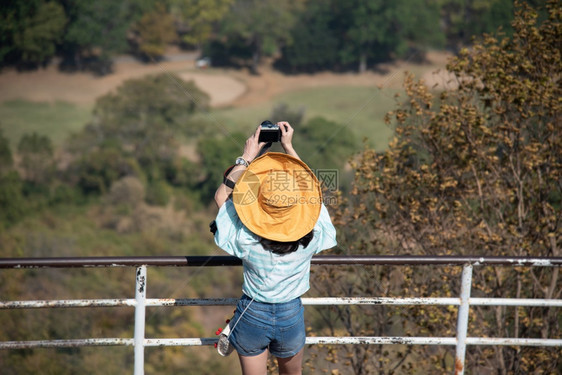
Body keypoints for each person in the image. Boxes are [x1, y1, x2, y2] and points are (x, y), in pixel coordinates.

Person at [213, 122, 337, 375]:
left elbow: (222, 197)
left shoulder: (246, 238)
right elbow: (315, 195)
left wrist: (247, 156)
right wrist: (289, 147)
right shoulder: (311, 236)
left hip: (252, 312)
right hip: (291, 314)